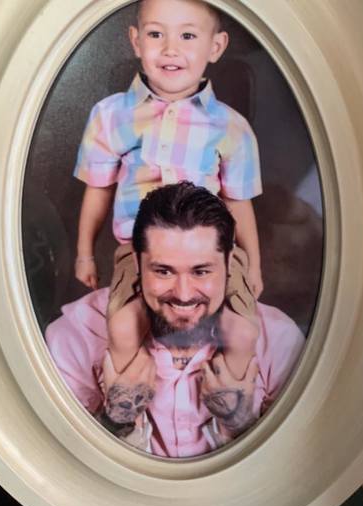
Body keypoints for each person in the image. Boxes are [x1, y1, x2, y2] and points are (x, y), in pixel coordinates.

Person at [73, 0, 263, 384]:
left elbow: (238, 202)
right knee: (123, 327)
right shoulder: (111, 116)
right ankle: (129, 405)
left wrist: (254, 265)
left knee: (243, 331)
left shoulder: (230, 126)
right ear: (136, 41)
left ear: (216, 47)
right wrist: (84, 254)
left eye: (188, 35)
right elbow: (98, 190)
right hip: (139, 252)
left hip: (210, 255)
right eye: (156, 34)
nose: (170, 49)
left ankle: (231, 401)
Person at [46, 183, 304, 458]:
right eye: (164, 271)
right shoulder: (78, 333)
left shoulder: (278, 339)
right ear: (137, 262)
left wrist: (240, 423)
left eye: (201, 271)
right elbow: (54, 464)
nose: (183, 294)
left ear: (230, 264)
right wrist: (117, 421)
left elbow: (299, 466)